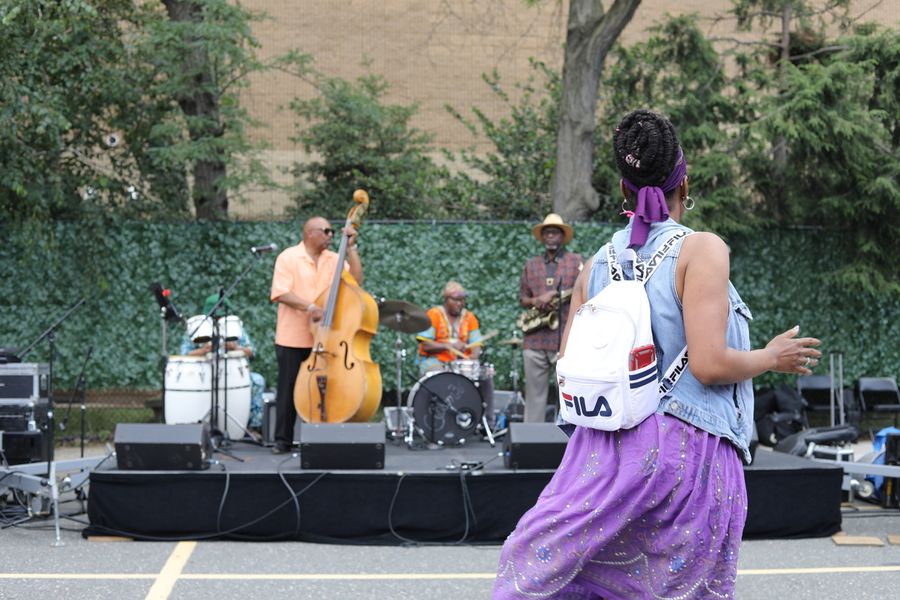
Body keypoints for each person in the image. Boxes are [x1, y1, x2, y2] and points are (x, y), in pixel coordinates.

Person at [493, 109, 822, 599]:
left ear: (625, 192)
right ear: (683, 185)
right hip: (685, 453)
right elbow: (710, 366)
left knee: (548, 569)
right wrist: (771, 356)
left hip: (600, 455)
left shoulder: (594, 265)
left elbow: (570, 369)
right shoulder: (701, 250)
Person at [269, 216, 363, 454]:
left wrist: (351, 248)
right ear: (310, 233)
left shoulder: (335, 259)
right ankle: (283, 440)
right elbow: (281, 293)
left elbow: (356, 283)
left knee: (329, 388)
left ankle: (327, 437)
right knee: (288, 388)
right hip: (293, 335)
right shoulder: (288, 257)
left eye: (333, 232)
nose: (331, 236)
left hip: (327, 337)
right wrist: (311, 307)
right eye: (327, 231)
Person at [518, 214, 583, 423]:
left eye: (554, 232)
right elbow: (522, 299)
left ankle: (568, 440)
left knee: (568, 395)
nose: (550, 236)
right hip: (535, 339)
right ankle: (531, 442)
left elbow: (585, 293)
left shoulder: (576, 262)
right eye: (546, 233)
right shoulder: (531, 265)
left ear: (562, 237)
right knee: (534, 397)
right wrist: (538, 300)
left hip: (566, 339)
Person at [180, 293, 265, 432]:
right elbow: (183, 355)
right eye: (215, 316)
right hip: (203, 377)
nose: (218, 319)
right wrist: (202, 351)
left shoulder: (235, 329)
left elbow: (252, 351)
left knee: (257, 381)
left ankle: (252, 428)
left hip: (233, 376)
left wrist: (235, 347)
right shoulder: (196, 329)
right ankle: (196, 429)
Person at [416, 280, 482, 376]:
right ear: (446, 299)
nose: (459, 303)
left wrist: (474, 356)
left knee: (479, 373)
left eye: (462, 300)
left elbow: (476, 344)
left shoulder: (470, 317)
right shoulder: (434, 314)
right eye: (455, 300)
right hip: (434, 361)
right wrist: (448, 346)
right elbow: (426, 345)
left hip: (460, 363)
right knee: (440, 375)